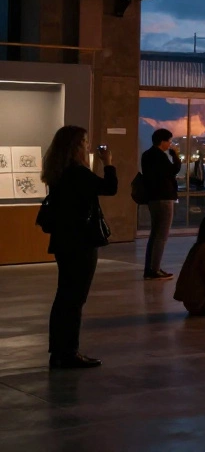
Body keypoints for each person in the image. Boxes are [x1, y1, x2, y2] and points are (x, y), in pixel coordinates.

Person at [43, 126, 117, 369]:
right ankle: (69, 352)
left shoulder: (59, 172)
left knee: (64, 296)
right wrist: (108, 163)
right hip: (81, 242)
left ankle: (59, 350)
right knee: (75, 299)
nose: (88, 145)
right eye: (84, 141)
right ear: (75, 146)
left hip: (64, 240)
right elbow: (110, 188)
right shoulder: (77, 173)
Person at [140, 128, 183, 281]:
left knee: (154, 234)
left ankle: (150, 268)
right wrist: (175, 156)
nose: (170, 144)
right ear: (163, 141)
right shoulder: (159, 156)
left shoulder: (146, 155)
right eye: (169, 141)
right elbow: (173, 170)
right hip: (164, 198)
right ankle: (155, 269)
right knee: (161, 235)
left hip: (152, 198)